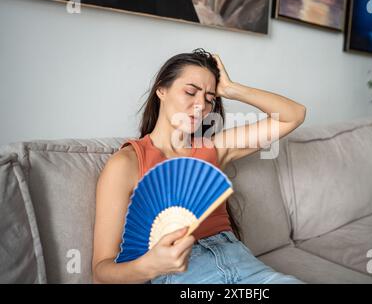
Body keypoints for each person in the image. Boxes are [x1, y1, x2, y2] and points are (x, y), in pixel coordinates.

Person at [92, 48, 307, 284]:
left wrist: (233, 90)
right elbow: (101, 270)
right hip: (180, 273)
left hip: (242, 262)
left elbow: (293, 115)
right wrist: (148, 266)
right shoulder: (127, 163)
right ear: (161, 90)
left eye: (209, 99)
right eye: (190, 92)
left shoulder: (214, 148)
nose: (200, 106)